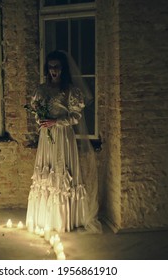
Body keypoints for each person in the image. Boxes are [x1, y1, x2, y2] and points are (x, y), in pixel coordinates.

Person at [25, 50, 102, 234]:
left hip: (63, 136)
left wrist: (56, 122)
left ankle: (65, 218)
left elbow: (75, 116)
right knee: (47, 169)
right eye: (51, 67)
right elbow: (36, 110)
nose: (54, 71)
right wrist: (41, 119)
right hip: (46, 136)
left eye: (57, 67)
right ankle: (45, 218)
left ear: (63, 68)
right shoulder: (41, 89)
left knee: (63, 170)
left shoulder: (71, 91)